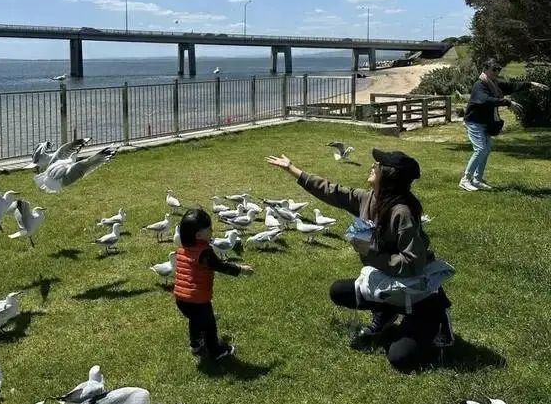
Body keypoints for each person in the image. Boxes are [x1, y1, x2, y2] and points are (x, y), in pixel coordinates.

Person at [267, 148, 451, 371]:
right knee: (338, 291)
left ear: (389, 175)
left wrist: (370, 252)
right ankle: (387, 310)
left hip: (416, 293)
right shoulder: (369, 199)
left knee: (400, 358)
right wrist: (293, 169)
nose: (373, 165)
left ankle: (438, 319)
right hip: (388, 284)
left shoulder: (402, 212)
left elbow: (413, 265)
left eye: (378, 164)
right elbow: (333, 192)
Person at [174, 208, 253, 361]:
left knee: (195, 320)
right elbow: (220, 265)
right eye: (209, 228)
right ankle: (216, 351)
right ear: (198, 235)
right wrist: (241, 269)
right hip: (198, 300)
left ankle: (196, 344)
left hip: (181, 298)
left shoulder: (183, 249)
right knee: (209, 325)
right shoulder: (204, 252)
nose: (212, 230)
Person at [459, 58, 548, 191]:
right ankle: (465, 180)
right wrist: (508, 102)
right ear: (485, 69)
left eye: (498, 69)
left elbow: (512, 86)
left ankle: (477, 180)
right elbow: (485, 100)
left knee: (486, 150)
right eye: (494, 69)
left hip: (485, 123)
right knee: (481, 149)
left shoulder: (494, 85)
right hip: (474, 122)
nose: (496, 72)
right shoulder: (480, 85)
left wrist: (531, 84)